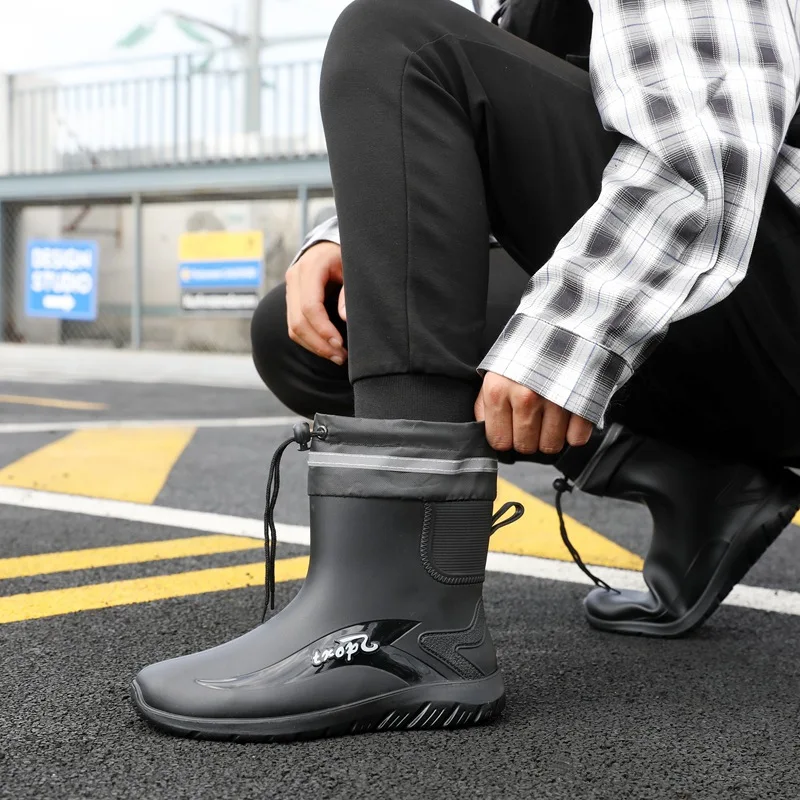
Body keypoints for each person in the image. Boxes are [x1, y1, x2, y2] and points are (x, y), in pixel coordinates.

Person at [130, 0, 800, 741]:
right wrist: (349, 237)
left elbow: (706, 157)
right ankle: (700, 480)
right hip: (733, 331)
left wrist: (566, 332)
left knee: (400, 39)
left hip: (769, 294)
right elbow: (476, 148)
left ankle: (400, 621)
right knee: (326, 327)